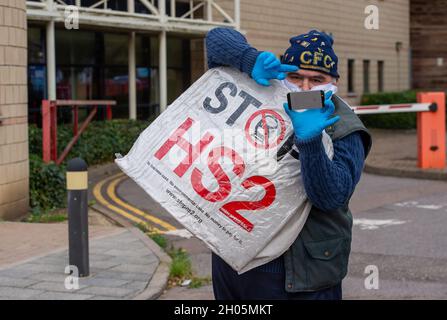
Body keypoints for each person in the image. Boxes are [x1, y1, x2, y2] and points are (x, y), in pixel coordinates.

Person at [205, 27, 372, 300]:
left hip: (300, 274)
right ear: (284, 76)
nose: (305, 88)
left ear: (334, 82)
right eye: (295, 77)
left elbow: (330, 198)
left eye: (317, 80)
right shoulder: (265, 95)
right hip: (237, 259)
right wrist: (250, 60)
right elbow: (215, 39)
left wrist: (311, 142)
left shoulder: (346, 127)